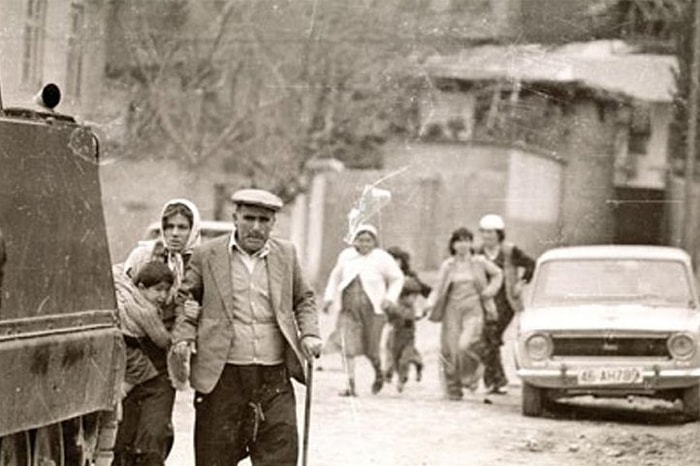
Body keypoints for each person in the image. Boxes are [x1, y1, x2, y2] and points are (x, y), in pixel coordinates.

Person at [169, 188, 322, 466]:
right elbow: (185, 299)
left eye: (264, 220)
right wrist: (184, 335)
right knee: (215, 457)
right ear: (235, 218)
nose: (255, 227)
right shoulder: (207, 254)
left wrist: (310, 333)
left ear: (273, 223)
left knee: (280, 455)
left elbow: (305, 298)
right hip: (223, 375)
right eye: (249, 218)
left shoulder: (286, 254)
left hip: (273, 376)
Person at [113, 198, 202, 466]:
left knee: (153, 437)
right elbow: (123, 292)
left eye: (183, 227)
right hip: (132, 353)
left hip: (164, 359)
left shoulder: (200, 262)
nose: (175, 233)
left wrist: (194, 315)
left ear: (193, 229)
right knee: (122, 438)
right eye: (169, 225)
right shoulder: (143, 255)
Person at [323, 224, 404, 397]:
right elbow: (335, 276)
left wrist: (390, 298)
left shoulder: (382, 258)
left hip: (373, 310)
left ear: (375, 242)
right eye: (360, 240)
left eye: (368, 240)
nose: (364, 244)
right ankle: (350, 384)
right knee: (347, 346)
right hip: (349, 309)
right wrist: (329, 297)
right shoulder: (346, 256)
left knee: (371, 349)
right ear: (354, 241)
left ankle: (378, 372)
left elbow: (397, 278)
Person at [425, 227, 502, 401]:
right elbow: (437, 289)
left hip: (473, 310)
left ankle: (471, 376)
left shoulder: (479, 262)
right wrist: (429, 304)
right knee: (451, 351)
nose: (463, 244)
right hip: (452, 311)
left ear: (471, 243)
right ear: (453, 244)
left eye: (466, 240)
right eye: (459, 241)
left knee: (465, 345)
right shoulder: (448, 265)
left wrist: (490, 290)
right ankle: (453, 388)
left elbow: (498, 274)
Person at [113, 261, 176, 466]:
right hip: (132, 379)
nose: (163, 296)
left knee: (152, 440)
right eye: (158, 290)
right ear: (140, 288)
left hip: (158, 382)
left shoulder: (168, 309)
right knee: (122, 443)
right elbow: (164, 340)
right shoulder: (136, 309)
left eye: (167, 291)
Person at [477, 214, 536, 395]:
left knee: (491, 336)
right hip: (485, 301)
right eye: (484, 232)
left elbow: (531, 264)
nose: (487, 236)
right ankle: (495, 380)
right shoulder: (478, 252)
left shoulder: (510, 251)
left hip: (506, 301)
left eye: (491, 232)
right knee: (487, 339)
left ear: (499, 233)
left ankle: (496, 380)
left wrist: (521, 282)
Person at [384, 246, 431, 383]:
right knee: (391, 342)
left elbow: (426, 291)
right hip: (392, 316)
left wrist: (425, 307)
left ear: (402, 261)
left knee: (402, 343)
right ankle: (391, 369)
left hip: (407, 317)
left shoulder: (410, 277)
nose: (392, 263)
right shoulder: (385, 277)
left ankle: (408, 365)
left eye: (396, 260)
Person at [385, 277, 424, 392]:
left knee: (404, 360)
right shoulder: (395, 305)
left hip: (408, 340)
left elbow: (410, 315)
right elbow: (388, 317)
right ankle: (391, 373)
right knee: (394, 359)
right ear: (403, 296)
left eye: (416, 297)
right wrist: (388, 310)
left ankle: (402, 380)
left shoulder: (410, 308)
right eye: (413, 297)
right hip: (395, 337)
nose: (414, 300)